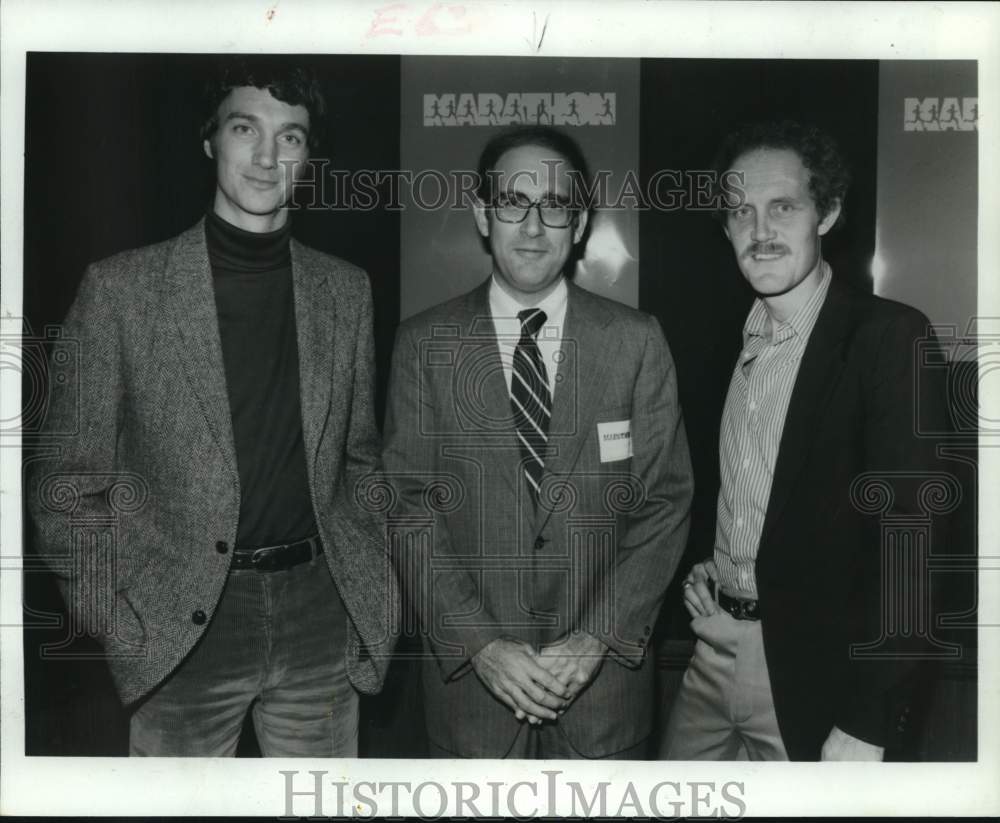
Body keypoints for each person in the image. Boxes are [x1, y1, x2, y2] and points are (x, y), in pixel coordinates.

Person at [27, 57, 397, 757]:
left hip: (321, 615)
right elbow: (66, 483)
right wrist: (121, 619)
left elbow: (360, 458)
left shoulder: (346, 291)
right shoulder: (120, 291)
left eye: (290, 136)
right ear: (209, 140)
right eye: (243, 127)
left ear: (309, 155)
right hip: (181, 628)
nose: (266, 155)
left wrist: (368, 583)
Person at [382, 125, 693, 758]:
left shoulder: (634, 342)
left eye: (553, 205)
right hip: (473, 703)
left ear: (578, 225)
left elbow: (663, 503)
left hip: (602, 701)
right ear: (481, 214)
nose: (532, 225)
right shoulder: (423, 344)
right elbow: (408, 508)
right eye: (511, 202)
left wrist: (596, 637)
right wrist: (482, 646)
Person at [660, 119, 950, 761]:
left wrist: (870, 719)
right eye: (740, 212)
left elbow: (913, 544)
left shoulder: (887, 338)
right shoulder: (724, 340)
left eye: (783, 207)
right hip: (709, 652)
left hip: (817, 676)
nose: (760, 232)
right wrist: (712, 563)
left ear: (829, 212)